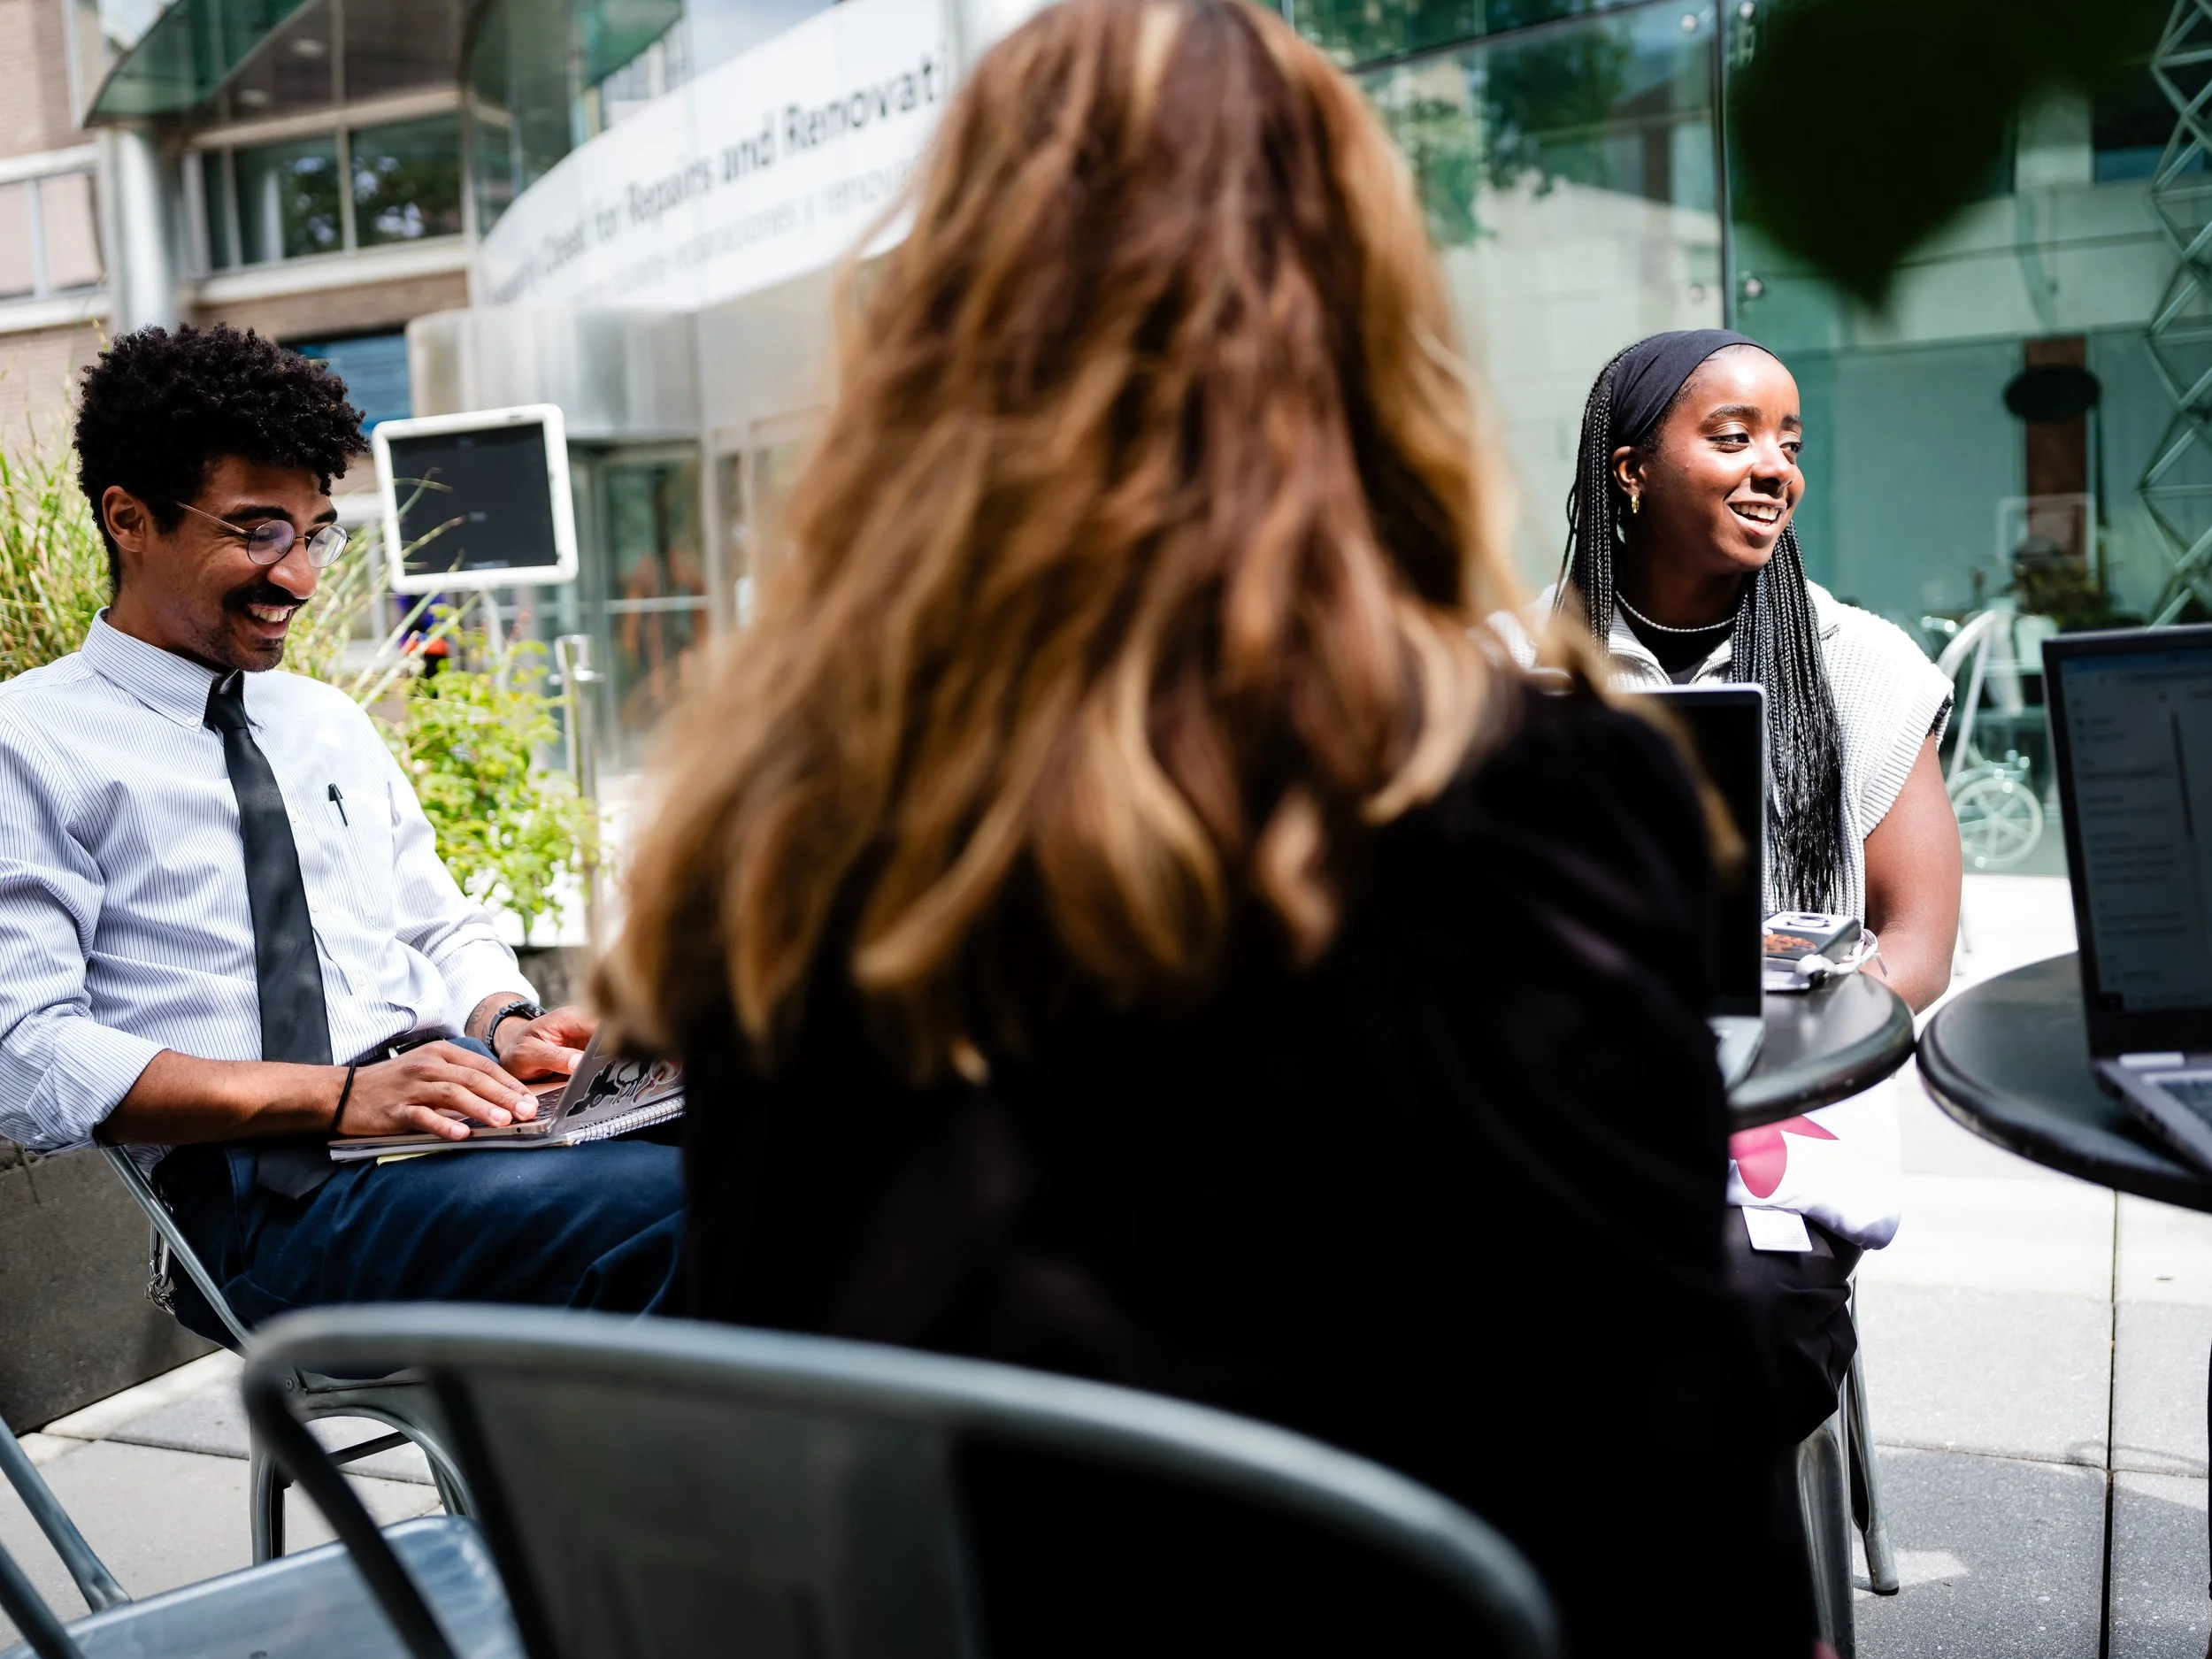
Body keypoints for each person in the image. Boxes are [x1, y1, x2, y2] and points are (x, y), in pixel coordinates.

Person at [595, 3, 1814, 1649]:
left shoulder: (784, 832)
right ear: (1368, 332)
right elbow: (1659, 1495)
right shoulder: (1534, 797)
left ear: (947, 340)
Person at [0, 325, 681, 1344]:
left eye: (315, 532)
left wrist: (506, 1023)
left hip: (454, 1121)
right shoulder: (28, 741)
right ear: (128, 518)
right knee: (693, 1216)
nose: (301, 578)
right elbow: (25, 1055)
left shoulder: (327, 723)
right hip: (262, 1203)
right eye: (256, 531)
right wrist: (338, 1096)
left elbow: (438, 926)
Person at [1544, 328, 1962, 1442]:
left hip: (1780, 1106)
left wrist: (1798, 1043)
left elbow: (1918, 938)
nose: (1774, 464)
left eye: (1788, 439)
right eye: (1733, 438)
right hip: (1561, 1089)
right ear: (1630, 472)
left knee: (1724, 1311)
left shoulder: (1858, 666)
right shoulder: (1514, 671)